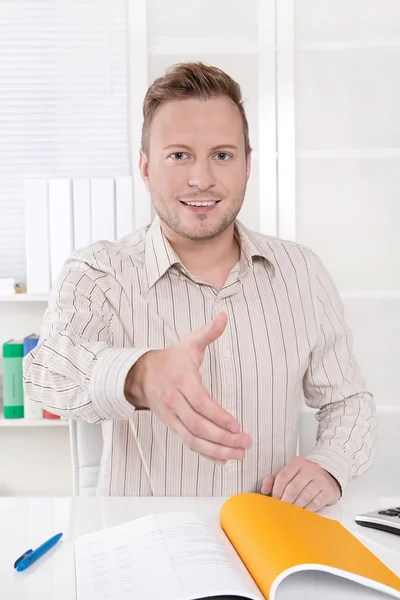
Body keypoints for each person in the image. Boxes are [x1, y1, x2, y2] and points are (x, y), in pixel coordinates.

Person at [23, 62, 377, 509]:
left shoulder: (301, 270)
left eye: (222, 155)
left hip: (266, 544)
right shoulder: (99, 270)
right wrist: (139, 375)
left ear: (248, 165)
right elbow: (44, 373)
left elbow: (349, 400)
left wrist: (329, 464)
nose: (202, 179)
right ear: (146, 168)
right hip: (143, 549)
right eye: (179, 155)